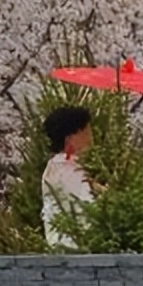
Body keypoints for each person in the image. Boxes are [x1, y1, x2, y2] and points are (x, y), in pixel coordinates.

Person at [41, 106, 97, 250]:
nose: (90, 138)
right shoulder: (70, 171)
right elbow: (89, 212)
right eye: (85, 133)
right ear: (71, 138)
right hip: (76, 248)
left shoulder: (54, 166)